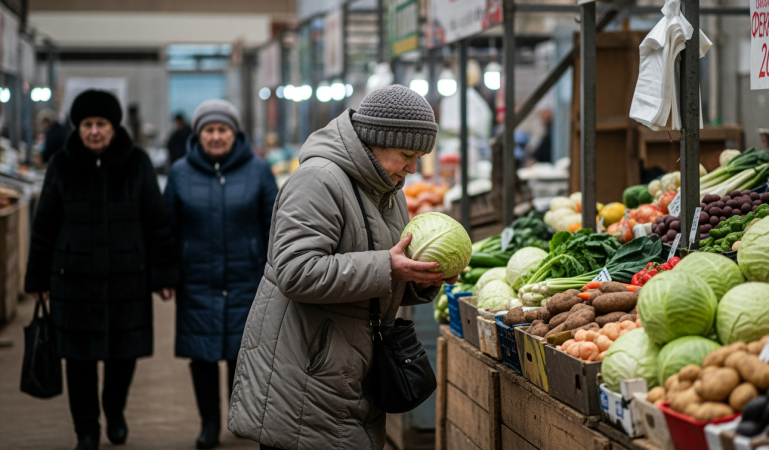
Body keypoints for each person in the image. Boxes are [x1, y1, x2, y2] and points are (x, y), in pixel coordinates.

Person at [227, 84, 458, 450]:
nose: (413, 169)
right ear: (376, 139)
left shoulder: (388, 192)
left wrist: (420, 277)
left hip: (349, 371)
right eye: (406, 154)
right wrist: (389, 267)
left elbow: (379, 275)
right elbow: (296, 272)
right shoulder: (318, 180)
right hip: (305, 372)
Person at [24, 90, 179, 450]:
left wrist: (165, 275)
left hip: (128, 277)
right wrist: (37, 277)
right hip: (72, 278)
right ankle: (87, 430)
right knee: (78, 361)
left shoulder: (137, 163)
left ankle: (115, 408)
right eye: (87, 125)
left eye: (101, 124)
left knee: (123, 356)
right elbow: (44, 224)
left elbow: (157, 221)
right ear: (78, 128)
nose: (94, 131)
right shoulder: (62, 165)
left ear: (114, 127)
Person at [164, 99, 278, 449]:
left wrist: (273, 271)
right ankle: (208, 424)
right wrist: (167, 274)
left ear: (235, 133)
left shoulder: (258, 170)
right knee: (202, 355)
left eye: (222, 130)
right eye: (209, 130)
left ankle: (240, 416)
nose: (216, 136)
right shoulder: (180, 172)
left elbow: (274, 225)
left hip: (248, 278)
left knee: (241, 353)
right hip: (197, 278)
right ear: (198, 135)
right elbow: (168, 228)